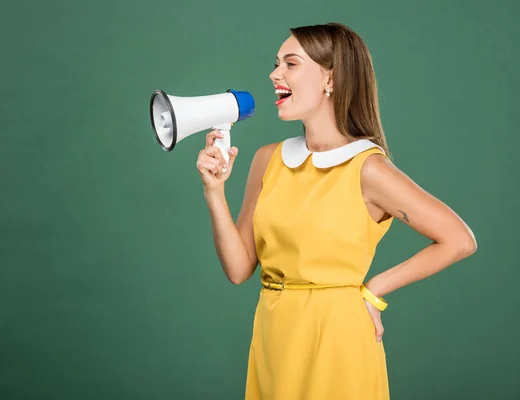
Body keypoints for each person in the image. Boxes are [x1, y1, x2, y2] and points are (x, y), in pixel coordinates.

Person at [196, 22, 477, 400]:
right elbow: (238, 268)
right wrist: (215, 192)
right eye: (276, 63)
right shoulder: (268, 159)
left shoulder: (368, 168)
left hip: (337, 337)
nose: (274, 74)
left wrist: (375, 289)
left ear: (331, 77)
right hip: (273, 334)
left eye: (290, 64)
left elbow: (459, 239)